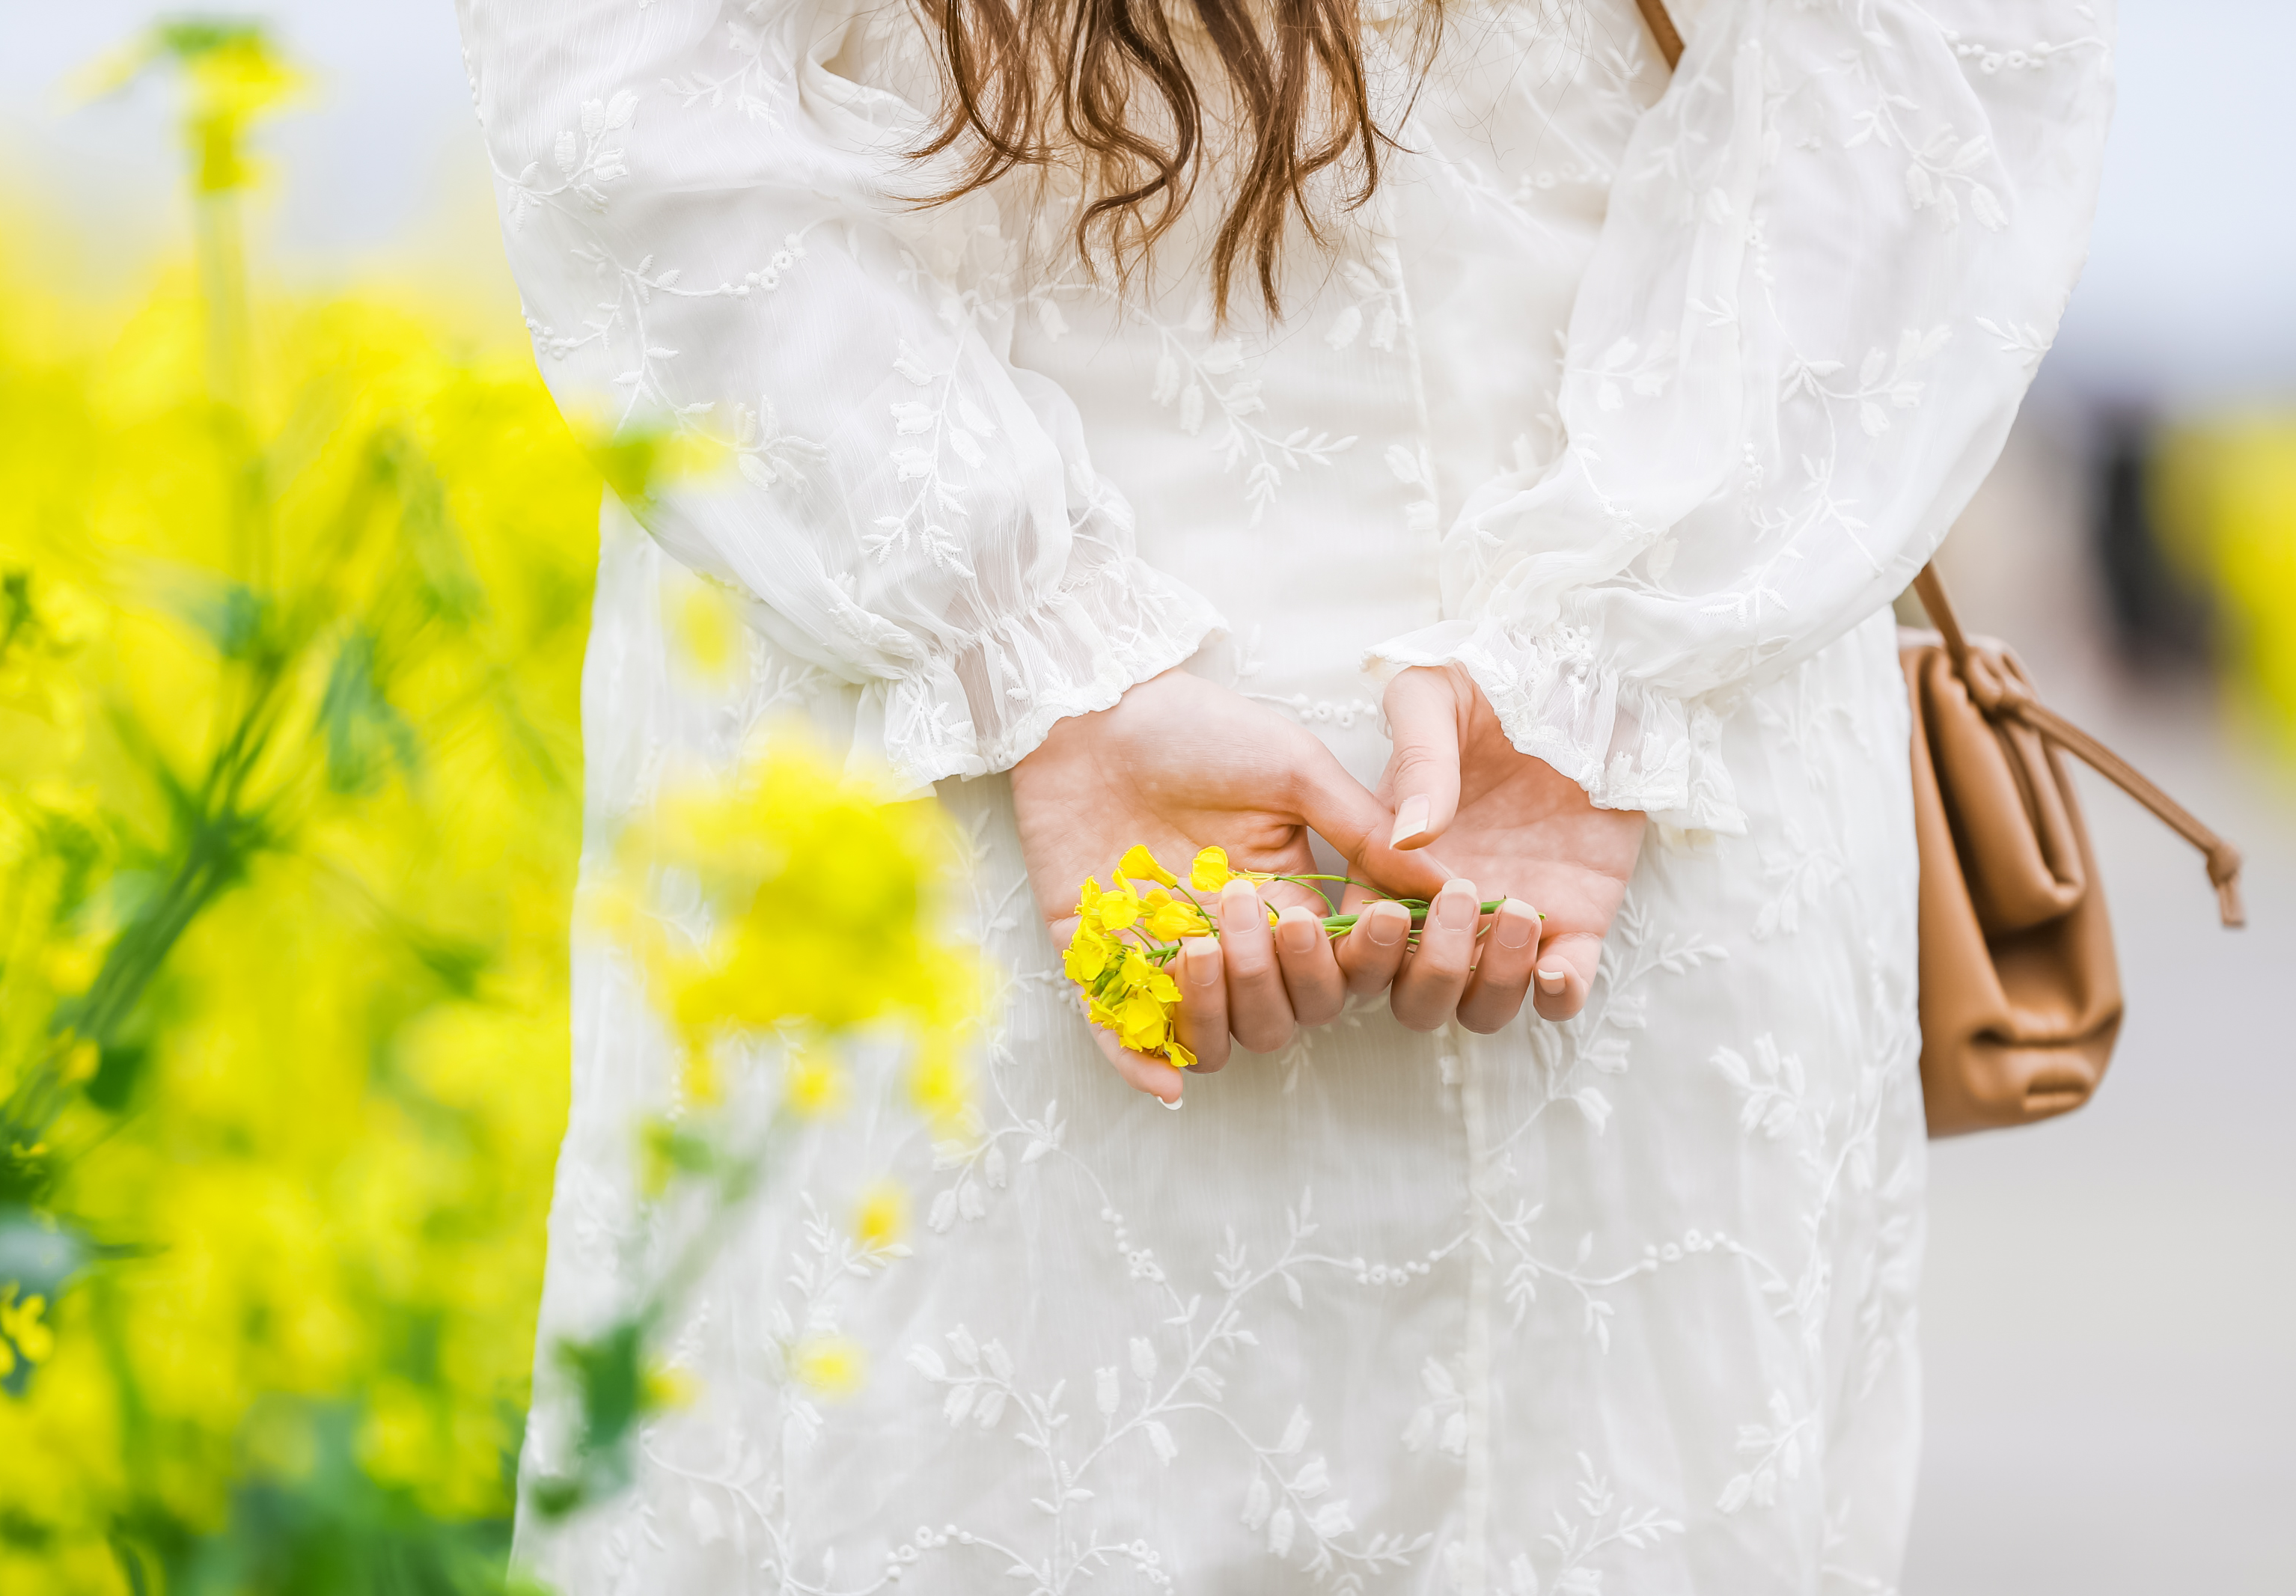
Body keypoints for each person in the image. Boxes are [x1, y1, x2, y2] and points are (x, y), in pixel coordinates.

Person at [457, 0, 2112, 1586]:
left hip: (963, 736)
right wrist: (1618, 637)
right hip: (1612, 772)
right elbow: (1939, 55)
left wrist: (1029, 647)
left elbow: (623, 87)